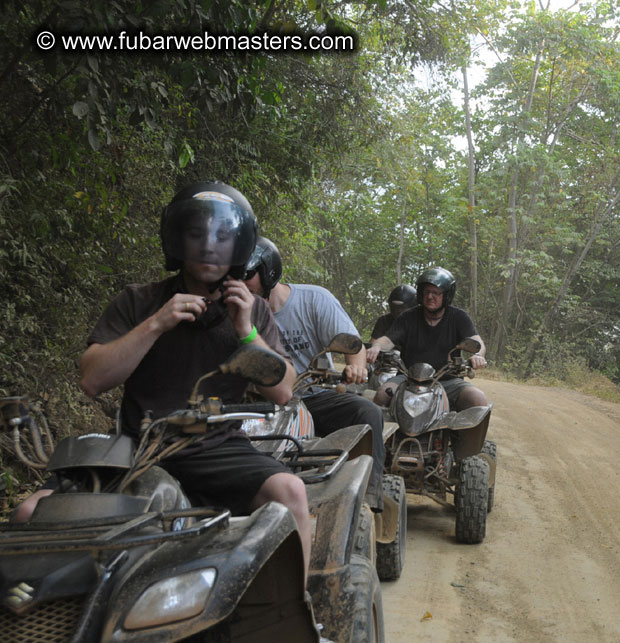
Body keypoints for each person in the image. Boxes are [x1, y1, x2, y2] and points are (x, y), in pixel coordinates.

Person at [13, 182, 313, 579]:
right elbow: (92, 379)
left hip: (217, 447)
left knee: (292, 493)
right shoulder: (139, 301)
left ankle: (298, 616)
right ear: (177, 241)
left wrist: (246, 332)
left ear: (238, 246)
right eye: (196, 234)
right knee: (29, 510)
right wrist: (156, 324)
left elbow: (282, 389)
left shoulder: (253, 309)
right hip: (137, 447)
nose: (209, 246)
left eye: (223, 236)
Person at [243, 236, 385, 510]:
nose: (239, 282)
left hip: (311, 392)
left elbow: (351, 343)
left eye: (246, 275)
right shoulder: (233, 309)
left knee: (369, 412)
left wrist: (356, 365)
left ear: (267, 272)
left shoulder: (314, 300)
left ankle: (369, 499)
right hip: (254, 401)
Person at [366, 267, 488, 410]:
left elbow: (477, 342)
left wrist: (478, 355)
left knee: (477, 399)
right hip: (408, 378)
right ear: (420, 294)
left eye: (436, 293)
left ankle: (460, 432)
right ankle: (381, 432)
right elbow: (388, 339)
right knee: (382, 395)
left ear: (447, 295)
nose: (430, 297)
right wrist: (377, 346)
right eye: (427, 292)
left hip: (448, 380)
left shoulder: (459, 317)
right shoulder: (408, 317)